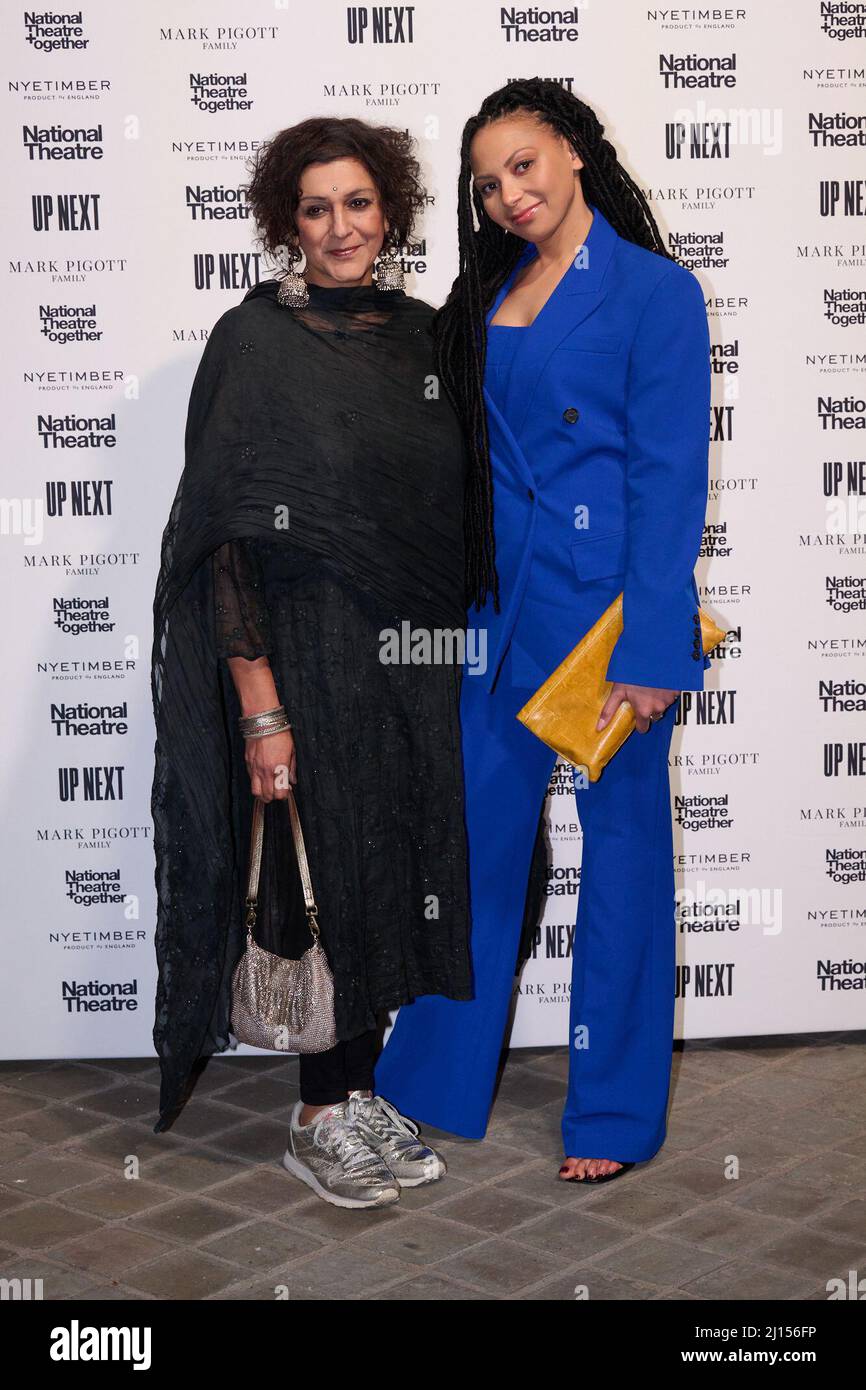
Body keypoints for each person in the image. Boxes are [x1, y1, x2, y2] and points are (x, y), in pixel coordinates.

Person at [373, 79, 713, 1184]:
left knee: (620, 864)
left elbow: (669, 476)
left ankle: (610, 1116)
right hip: (494, 612)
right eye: (486, 181)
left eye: (523, 164)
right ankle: (425, 1080)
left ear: (570, 152)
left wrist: (654, 647)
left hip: (606, 624)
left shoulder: (655, 292)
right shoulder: (486, 292)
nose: (507, 192)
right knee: (466, 853)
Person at [150, 116, 474, 1209]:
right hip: (303, 654)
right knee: (321, 870)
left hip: (410, 663)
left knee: (389, 872)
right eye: (315, 208)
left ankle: (361, 1088)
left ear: (390, 210)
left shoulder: (422, 337)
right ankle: (314, 1116)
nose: (340, 228)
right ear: (285, 223)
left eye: (358, 203)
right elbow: (226, 539)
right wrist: (258, 706)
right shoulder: (254, 342)